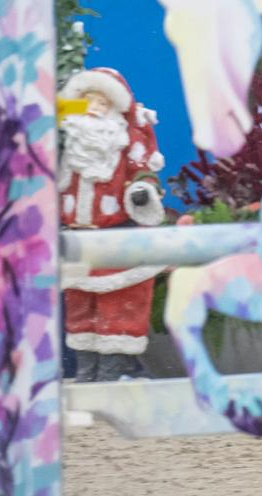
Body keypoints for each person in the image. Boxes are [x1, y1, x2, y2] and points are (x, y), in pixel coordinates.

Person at [56, 66, 167, 383]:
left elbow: (142, 174)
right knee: (80, 308)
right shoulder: (69, 140)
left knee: (117, 309)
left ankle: (109, 373)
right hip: (76, 240)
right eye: (88, 100)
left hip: (115, 239)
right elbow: (51, 112)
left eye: (103, 102)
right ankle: (85, 371)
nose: (94, 108)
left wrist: (141, 193)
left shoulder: (124, 141)